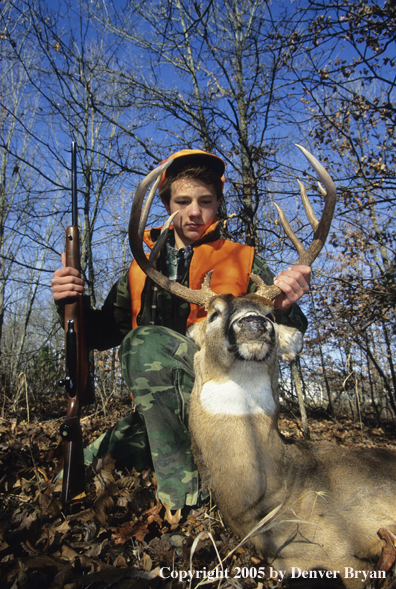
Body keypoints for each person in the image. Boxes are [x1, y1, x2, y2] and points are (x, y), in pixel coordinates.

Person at [52, 149, 310, 510]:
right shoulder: (141, 268)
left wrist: (286, 306)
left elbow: (286, 331)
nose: (194, 212)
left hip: (227, 406)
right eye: (183, 201)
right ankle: (178, 456)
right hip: (162, 412)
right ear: (166, 203)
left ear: (218, 203)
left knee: (144, 342)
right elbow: (103, 333)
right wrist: (69, 302)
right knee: (76, 466)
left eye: (205, 201)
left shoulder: (242, 259)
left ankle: (186, 499)